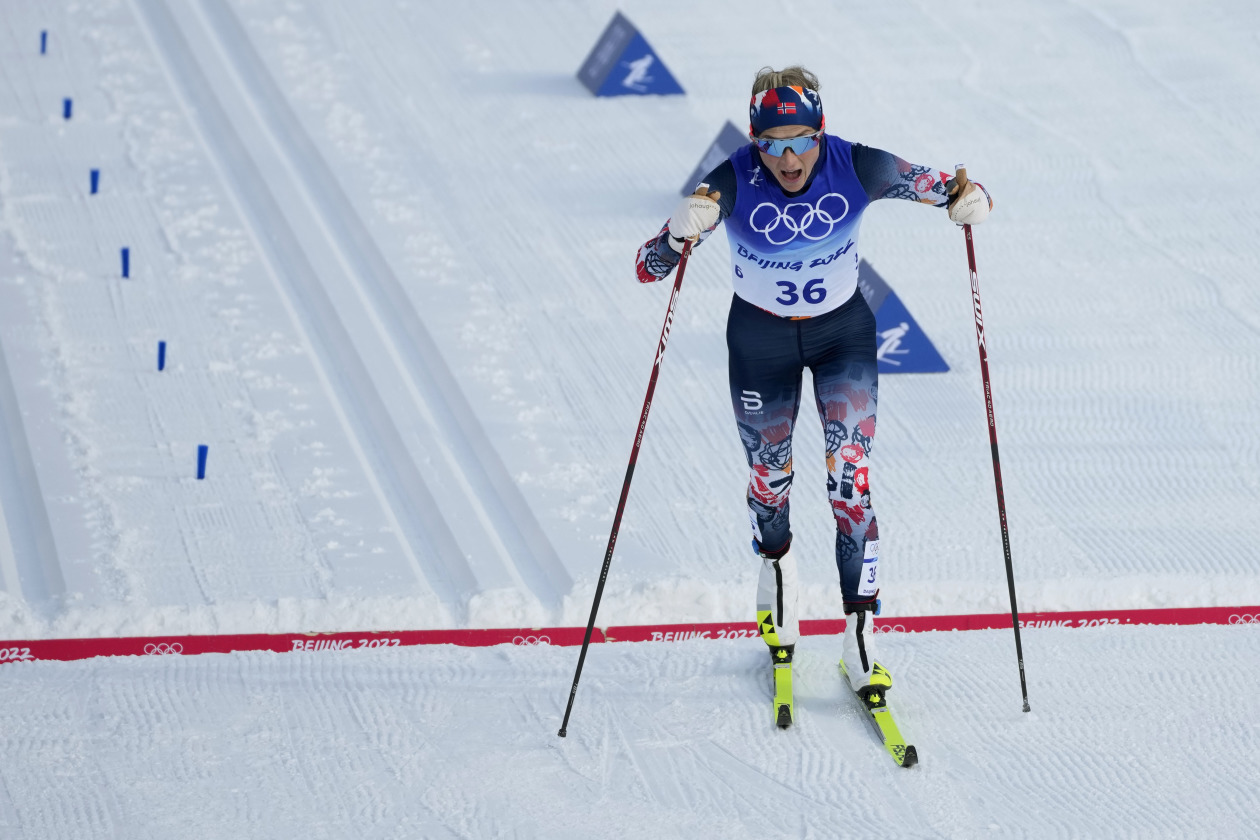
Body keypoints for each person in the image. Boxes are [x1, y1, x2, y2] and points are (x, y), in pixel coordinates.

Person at [635, 66, 992, 728]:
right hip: (760, 345)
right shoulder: (732, 180)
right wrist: (674, 234)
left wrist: (972, 204)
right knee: (769, 479)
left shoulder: (861, 166)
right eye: (772, 144)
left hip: (841, 341)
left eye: (800, 140)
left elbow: (956, 190)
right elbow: (646, 268)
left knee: (850, 481)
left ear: (820, 131)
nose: (789, 158)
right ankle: (775, 580)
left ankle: (861, 635)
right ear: (753, 140)